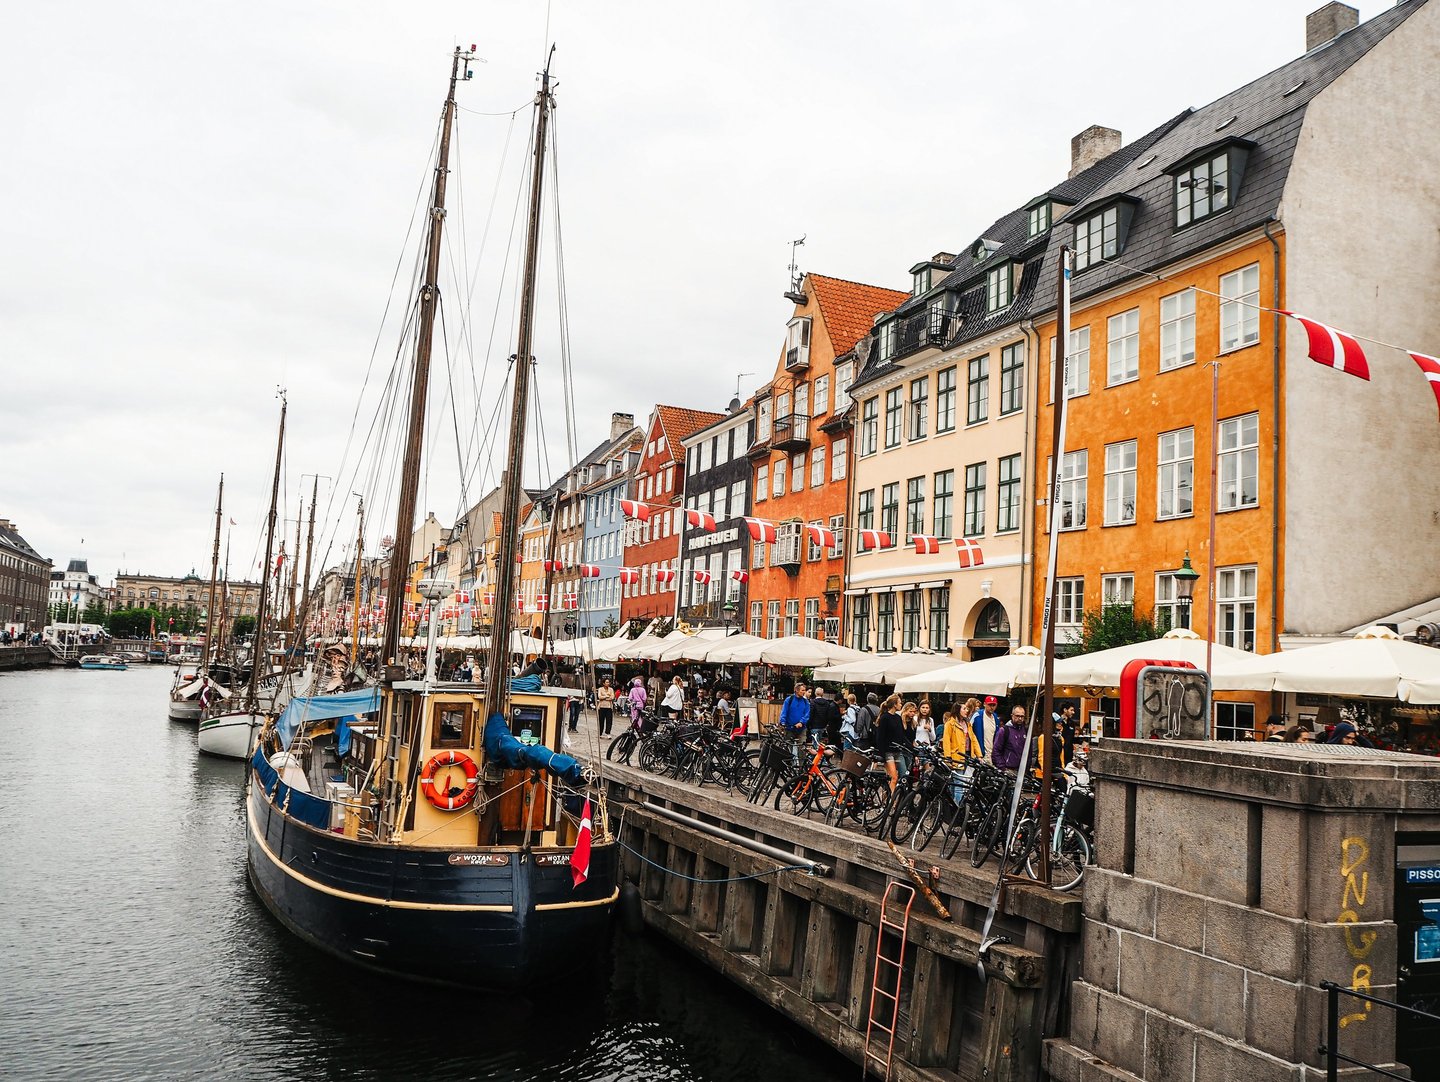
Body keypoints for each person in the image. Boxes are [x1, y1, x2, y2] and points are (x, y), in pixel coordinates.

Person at [874, 694, 908, 792]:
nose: (901, 705)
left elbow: (902, 736)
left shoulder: (897, 717)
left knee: (902, 775)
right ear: (894, 705)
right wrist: (882, 754)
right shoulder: (885, 718)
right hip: (888, 752)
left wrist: (912, 748)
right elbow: (880, 737)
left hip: (897, 751)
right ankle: (892, 804)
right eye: (900, 703)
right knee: (894, 777)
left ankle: (888, 798)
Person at [991, 705, 1029, 773]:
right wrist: (1002, 768)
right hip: (1008, 769)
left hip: (1022, 770)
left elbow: (1029, 751)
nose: (1020, 718)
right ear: (1012, 715)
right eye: (1017, 716)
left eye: (1022, 716)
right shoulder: (1004, 730)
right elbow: (996, 751)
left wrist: (1027, 768)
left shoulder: (1026, 731)